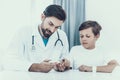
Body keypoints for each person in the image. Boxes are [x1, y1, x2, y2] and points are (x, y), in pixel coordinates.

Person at [1, 4, 69, 73]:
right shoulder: (23, 32)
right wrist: (35, 67)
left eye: (57, 27)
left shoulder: (62, 36)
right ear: (42, 17)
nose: (52, 30)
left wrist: (62, 65)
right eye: (50, 24)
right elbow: (8, 61)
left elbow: (65, 59)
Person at [55, 20, 119, 73]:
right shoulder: (75, 49)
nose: (84, 39)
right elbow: (68, 64)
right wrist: (63, 64)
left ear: (96, 36)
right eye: (81, 36)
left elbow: (116, 66)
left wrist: (91, 68)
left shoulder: (102, 51)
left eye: (87, 36)